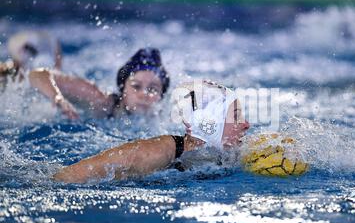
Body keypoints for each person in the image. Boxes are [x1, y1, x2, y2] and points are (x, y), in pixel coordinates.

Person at [53, 80, 250, 183]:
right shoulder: (150, 153)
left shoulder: (225, 152)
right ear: (209, 123)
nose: (246, 124)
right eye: (236, 115)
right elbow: (68, 177)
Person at [28, 47, 170, 120]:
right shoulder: (101, 102)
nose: (143, 94)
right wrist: (56, 97)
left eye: (153, 89)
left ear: (161, 95)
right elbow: (36, 74)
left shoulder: (165, 119)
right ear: (123, 88)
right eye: (136, 86)